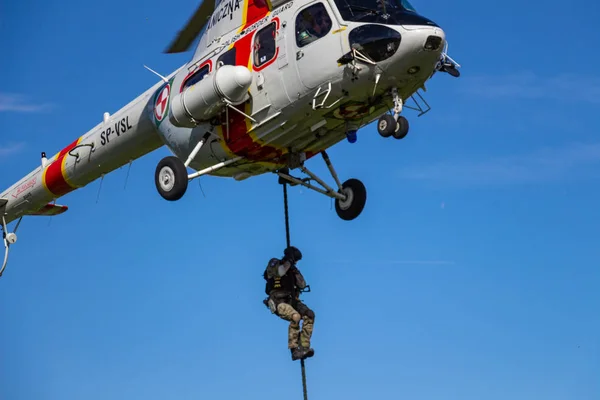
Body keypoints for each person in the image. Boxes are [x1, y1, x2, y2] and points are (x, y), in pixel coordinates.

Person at [263, 246, 315, 361]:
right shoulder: (275, 263)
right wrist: (288, 262)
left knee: (310, 315)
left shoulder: (292, 269)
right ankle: (294, 349)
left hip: (292, 300)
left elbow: (302, 284)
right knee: (295, 317)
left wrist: (294, 270)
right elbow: (280, 272)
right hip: (278, 301)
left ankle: (304, 346)